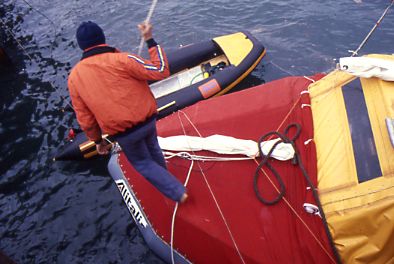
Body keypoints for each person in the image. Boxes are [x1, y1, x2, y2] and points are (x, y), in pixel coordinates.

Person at [68, 21, 187, 203]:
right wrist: (149, 40)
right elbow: (161, 70)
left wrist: (98, 141)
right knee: (153, 148)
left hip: (123, 132)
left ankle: (177, 192)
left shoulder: (74, 78)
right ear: (102, 38)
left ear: (81, 46)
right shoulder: (124, 59)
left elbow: (85, 118)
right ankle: (167, 177)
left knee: (142, 162)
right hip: (147, 121)